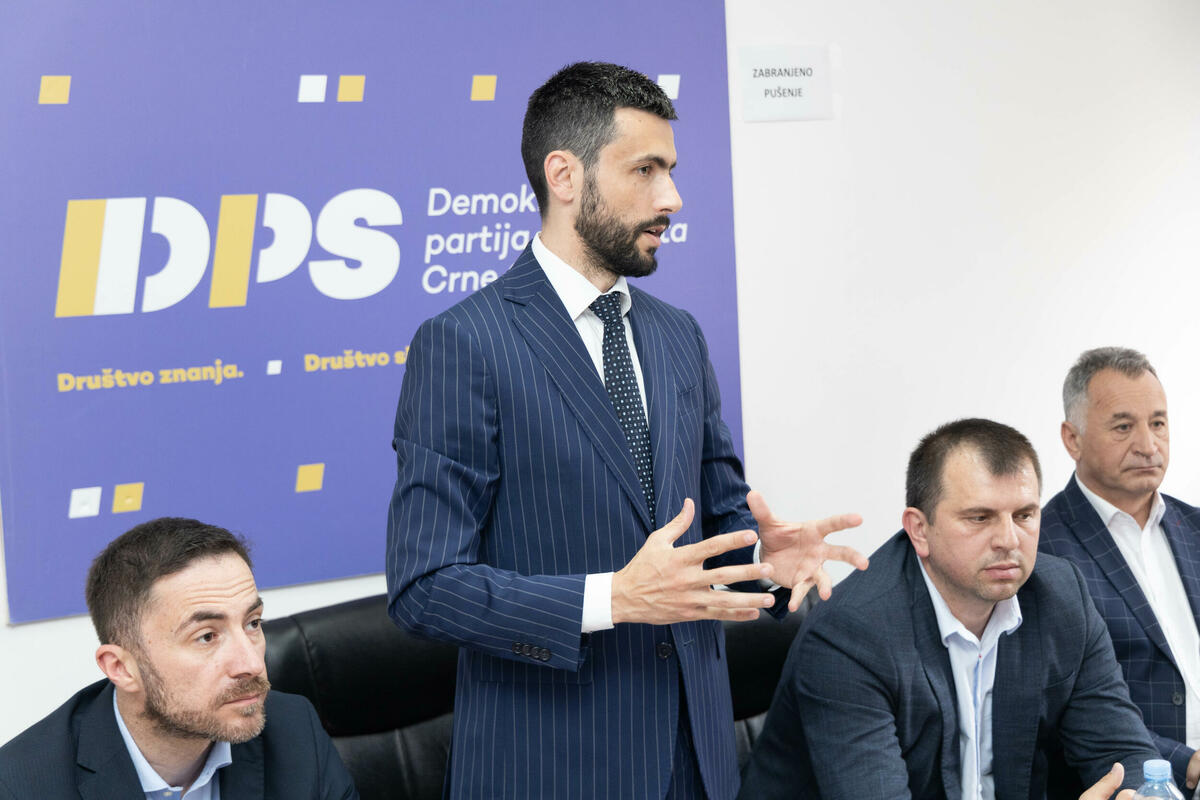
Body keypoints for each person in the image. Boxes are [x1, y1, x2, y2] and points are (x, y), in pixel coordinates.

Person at [385, 61, 866, 800]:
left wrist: (762, 561)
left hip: (697, 764)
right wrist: (612, 599)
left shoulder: (678, 336)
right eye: (644, 169)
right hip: (550, 771)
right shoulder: (465, 343)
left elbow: (718, 520)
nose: (671, 197)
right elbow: (425, 587)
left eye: (670, 170)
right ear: (564, 175)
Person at [738, 418, 1158, 800]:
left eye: (1024, 515)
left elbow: (1124, 754)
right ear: (920, 530)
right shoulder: (850, 635)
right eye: (980, 518)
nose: (1009, 540)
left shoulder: (1062, 597)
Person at [0, 517, 358, 799]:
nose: (251, 664)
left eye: (252, 623)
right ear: (121, 668)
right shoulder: (22, 787)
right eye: (206, 636)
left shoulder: (293, 730)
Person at [1040, 347, 1200, 793]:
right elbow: (1064, 707)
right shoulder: (1041, 549)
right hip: (1140, 785)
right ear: (1072, 439)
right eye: (1124, 427)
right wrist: (1187, 763)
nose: (1148, 445)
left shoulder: (1195, 528)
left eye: (1158, 423)